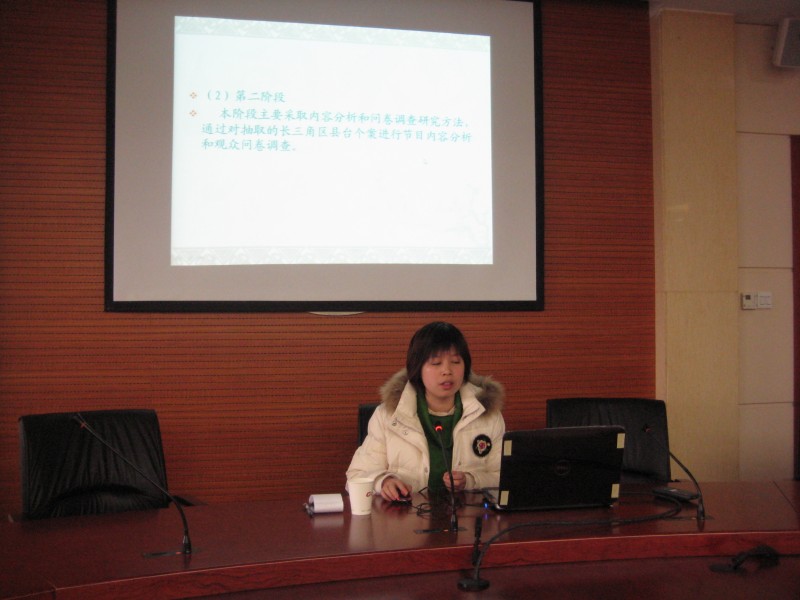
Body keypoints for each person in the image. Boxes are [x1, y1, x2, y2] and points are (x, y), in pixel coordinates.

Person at [346, 321, 505, 502]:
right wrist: (383, 481)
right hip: (405, 517)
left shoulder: (487, 414)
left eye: (455, 362)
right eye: (436, 363)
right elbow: (356, 476)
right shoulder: (388, 416)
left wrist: (471, 480)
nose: (447, 371)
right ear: (417, 367)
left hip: (468, 516)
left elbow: (505, 477)